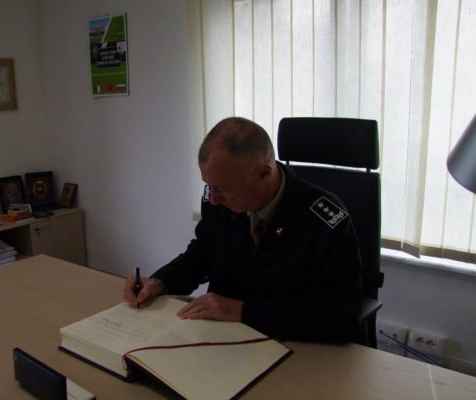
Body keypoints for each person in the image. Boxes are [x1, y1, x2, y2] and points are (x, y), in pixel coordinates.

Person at [124, 116, 363, 342]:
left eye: (223, 189)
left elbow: (339, 320)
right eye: (209, 185)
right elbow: (202, 254)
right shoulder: (218, 201)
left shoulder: (326, 223)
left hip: (293, 349)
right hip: (220, 340)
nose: (214, 199)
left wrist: (243, 311)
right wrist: (160, 281)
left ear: (264, 174)